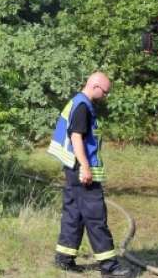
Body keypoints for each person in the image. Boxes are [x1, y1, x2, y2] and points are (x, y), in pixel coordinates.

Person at [48, 72, 132, 277]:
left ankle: (64, 258)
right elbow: (76, 137)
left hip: (71, 168)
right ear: (95, 86)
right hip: (82, 170)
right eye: (105, 92)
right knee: (96, 217)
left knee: (73, 214)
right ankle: (109, 267)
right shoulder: (83, 107)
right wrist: (85, 167)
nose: (105, 96)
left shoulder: (76, 101)